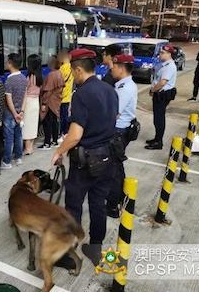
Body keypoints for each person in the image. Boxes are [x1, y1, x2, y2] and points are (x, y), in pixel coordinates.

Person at [51, 48, 118, 268]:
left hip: (86, 162)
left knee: (74, 206)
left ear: (78, 69)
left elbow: (76, 135)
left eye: (73, 70)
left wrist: (59, 151)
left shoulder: (82, 94)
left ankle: (70, 255)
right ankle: (95, 247)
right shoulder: (110, 90)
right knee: (98, 204)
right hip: (108, 158)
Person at [105, 54, 138, 218]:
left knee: (113, 170)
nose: (111, 68)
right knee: (117, 167)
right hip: (120, 131)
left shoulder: (126, 88)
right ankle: (121, 197)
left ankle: (112, 206)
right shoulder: (122, 85)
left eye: (114, 65)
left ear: (121, 68)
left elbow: (113, 113)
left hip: (118, 132)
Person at [145, 44, 178, 150]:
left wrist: (152, 90)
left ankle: (159, 142)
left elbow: (162, 82)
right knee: (157, 118)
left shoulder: (170, 66)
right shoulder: (163, 64)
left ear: (169, 54)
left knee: (159, 118)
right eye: (160, 52)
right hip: (159, 93)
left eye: (163, 53)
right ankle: (157, 138)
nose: (160, 54)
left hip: (162, 94)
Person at [1, 53, 27, 170]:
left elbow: (8, 99)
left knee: (9, 137)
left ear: (10, 63)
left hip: (9, 113)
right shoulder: (23, 78)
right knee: (19, 135)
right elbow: (25, 96)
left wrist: (14, 113)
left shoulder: (9, 80)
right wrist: (21, 111)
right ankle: (18, 157)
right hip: (20, 112)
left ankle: (7, 161)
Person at [39, 56, 64, 150]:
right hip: (56, 101)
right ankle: (54, 140)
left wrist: (44, 103)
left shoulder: (51, 75)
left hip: (50, 102)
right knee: (54, 122)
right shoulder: (59, 73)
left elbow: (48, 91)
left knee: (47, 122)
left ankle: (47, 143)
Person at [22, 54, 43, 155]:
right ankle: (31, 147)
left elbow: (25, 93)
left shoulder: (30, 76)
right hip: (36, 102)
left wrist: (22, 109)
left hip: (29, 102)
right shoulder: (39, 76)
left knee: (27, 125)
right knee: (33, 125)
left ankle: (27, 149)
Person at [58, 50, 74, 140]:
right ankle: (66, 132)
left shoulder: (62, 68)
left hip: (62, 96)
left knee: (62, 116)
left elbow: (60, 82)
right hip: (68, 95)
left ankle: (64, 133)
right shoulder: (72, 67)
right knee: (65, 115)